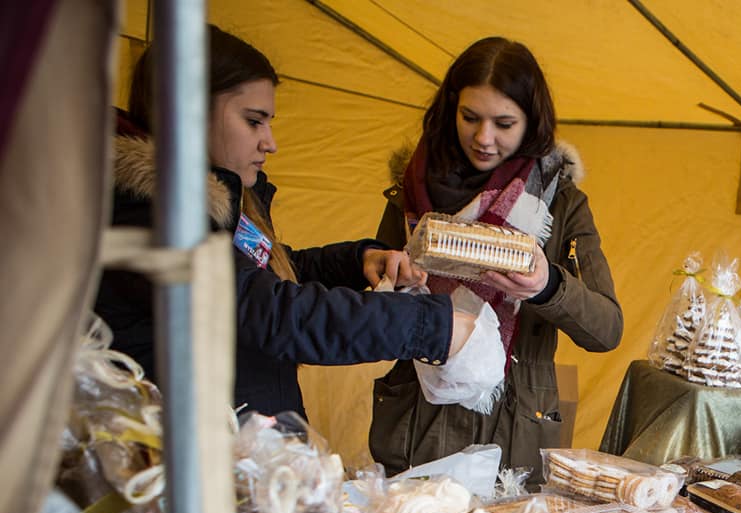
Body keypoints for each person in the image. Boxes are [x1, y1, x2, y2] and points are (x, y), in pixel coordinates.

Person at [95, 25, 471, 422]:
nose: (270, 142)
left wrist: (358, 260)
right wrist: (428, 324)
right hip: (187, 464)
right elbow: (269, 312)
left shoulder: (214, 206)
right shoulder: (150, 214)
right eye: (254, 121)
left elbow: (268, 270)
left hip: (246, 451)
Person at [368, 37, 623, 481]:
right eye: (470, 118)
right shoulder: (411, 190)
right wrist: (390, 282)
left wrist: (548, 287)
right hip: (421, 419)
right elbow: (373, 310)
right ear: (451, 110)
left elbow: (607, 330)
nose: (484, 139)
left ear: (532, 122)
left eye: (504, 123)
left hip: (516, 426)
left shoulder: (560, 203)